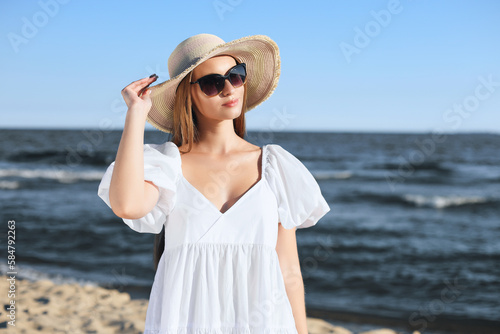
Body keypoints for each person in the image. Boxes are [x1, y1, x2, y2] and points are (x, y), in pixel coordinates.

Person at [97, 33, 330, 333]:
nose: (229, 89)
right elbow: (126, 205)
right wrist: (135, 115)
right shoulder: (169, 165)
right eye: (212, 83)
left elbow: (288, 270)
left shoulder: (274, 167)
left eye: (236, 76)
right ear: (187, 94)